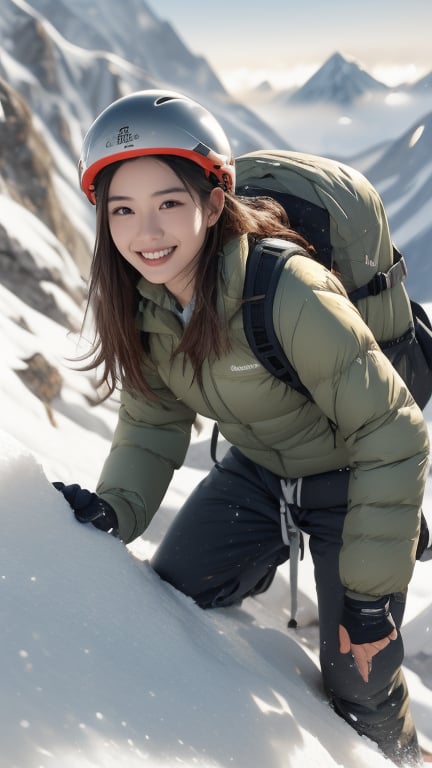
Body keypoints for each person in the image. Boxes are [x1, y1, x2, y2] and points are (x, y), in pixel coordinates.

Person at [54, 89, 430, 766]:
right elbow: (151, 425)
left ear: (213, 201)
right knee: (166, 597)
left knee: (360, 671)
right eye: (123, 210)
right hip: (260, 469)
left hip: (349, 470)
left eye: (168, 202)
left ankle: (400, 755)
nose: (147, 232)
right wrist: (113, 510)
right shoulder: (143, 301)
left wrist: (370, 597)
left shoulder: (285, 286)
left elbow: (393, 429)